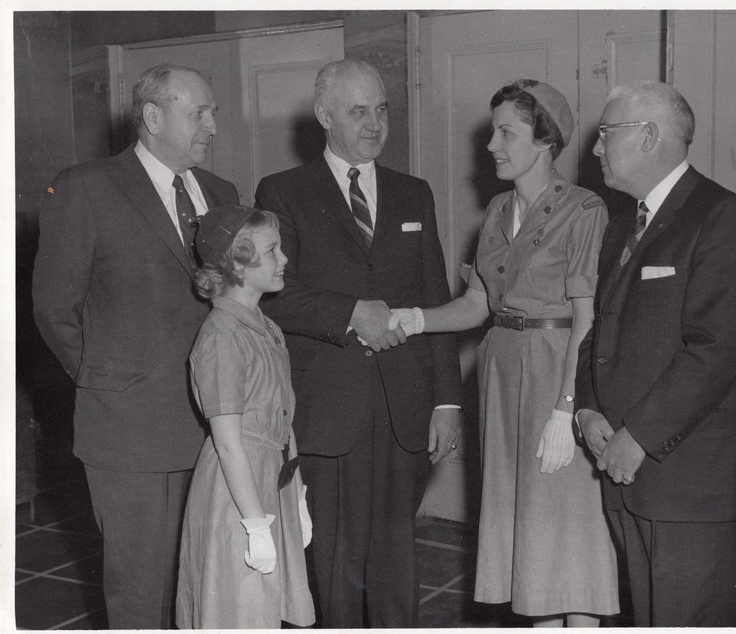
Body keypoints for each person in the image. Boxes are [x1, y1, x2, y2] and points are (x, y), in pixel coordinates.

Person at [391, 79, 618, 627]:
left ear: (544, 140)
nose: (491, 144)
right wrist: (415, 319)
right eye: (493, 131)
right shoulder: (497, 209)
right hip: (501, 374)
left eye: (505, 132)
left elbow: (585, 317)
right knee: (528, 545)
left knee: (569, 543)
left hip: (555, 371)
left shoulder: (584, 210)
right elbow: (477, 303)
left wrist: (567, 409)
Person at [253, 59, 462, 628]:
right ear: (324, 116)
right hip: (329, 409)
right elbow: (274, 294)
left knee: (397, 560)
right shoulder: (283, 192)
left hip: (404, 408)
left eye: (382, 110)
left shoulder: (413, 193)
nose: (374, 124)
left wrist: (446, 400)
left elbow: (435, 297)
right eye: (358, 111)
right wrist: (349, 314)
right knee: (335, 564)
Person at [32, 63, 239, 628]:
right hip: (130, 430)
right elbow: (55, 308)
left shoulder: (221, 194)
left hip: (217, 428)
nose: (213, 126)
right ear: (152, 117)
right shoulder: (87, 187)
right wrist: (107, 380)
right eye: (199, 113)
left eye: (213, 112)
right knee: (142, 593)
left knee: (208, 583)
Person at [575, 81, 736, 626]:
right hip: (626, 476)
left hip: (688, 485)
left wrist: (637, 437)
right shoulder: (621, 226)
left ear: (649, 136)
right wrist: (588, 409)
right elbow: (598, 336)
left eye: (607, 133)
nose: (596, 148)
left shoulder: (722, 217)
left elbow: (717, 350)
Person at [175, 205, 315, 628]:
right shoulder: (222, 335)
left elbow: (283, 419)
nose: (284, 259)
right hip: (237, 492)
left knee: (271, 608)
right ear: (238, 262)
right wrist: (255, 525)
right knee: (241, 608)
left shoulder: (265, 327)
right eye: (272, 251)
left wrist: (300, 496)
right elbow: (229, 442)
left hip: (274, 482)